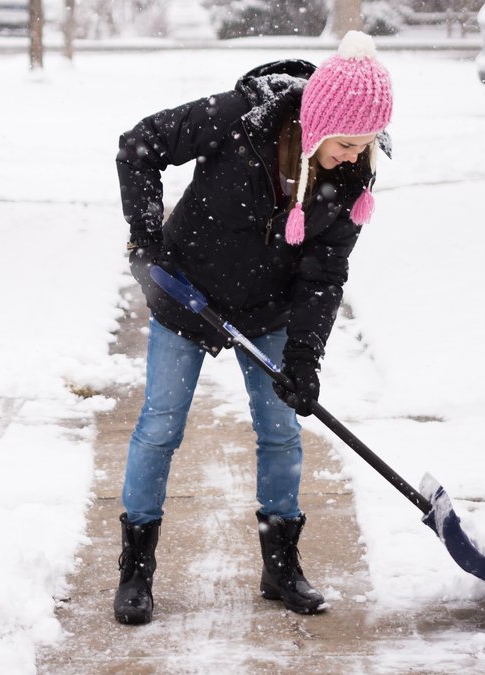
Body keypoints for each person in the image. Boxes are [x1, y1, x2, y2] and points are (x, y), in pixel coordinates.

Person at [113, 31, 393, 625]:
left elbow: (324, 275)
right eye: (345, 143)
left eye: (366, 146)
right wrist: (145, 237)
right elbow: (140, 145)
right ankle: (136, 570)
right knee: (160, 427)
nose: (353, 156)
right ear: (317, 125)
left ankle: (281, 566)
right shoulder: (238, 120)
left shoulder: (350, 179)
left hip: (269, 310)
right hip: (186, 294)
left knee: (280, 430)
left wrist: (305, 360)